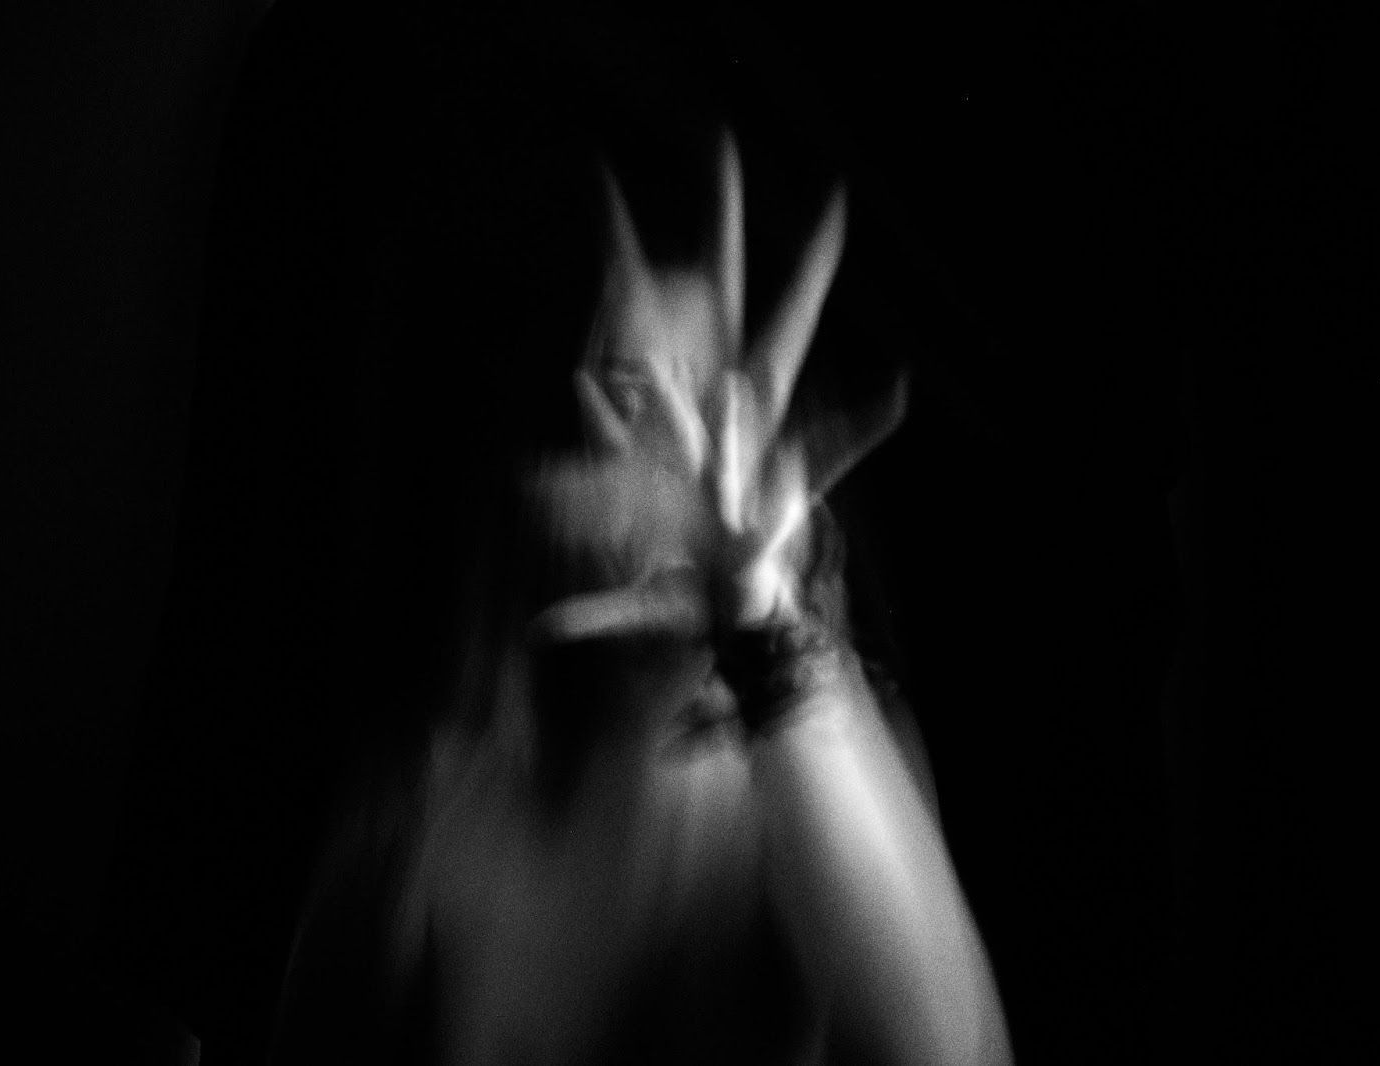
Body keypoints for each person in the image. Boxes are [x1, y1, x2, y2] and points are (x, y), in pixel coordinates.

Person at [270, 135, 1011, 1066]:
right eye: (630, 393)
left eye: (709, 404)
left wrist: (763, 628)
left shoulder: (830, 769)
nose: (679, 460)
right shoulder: (437, 789)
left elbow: (947, 1052)